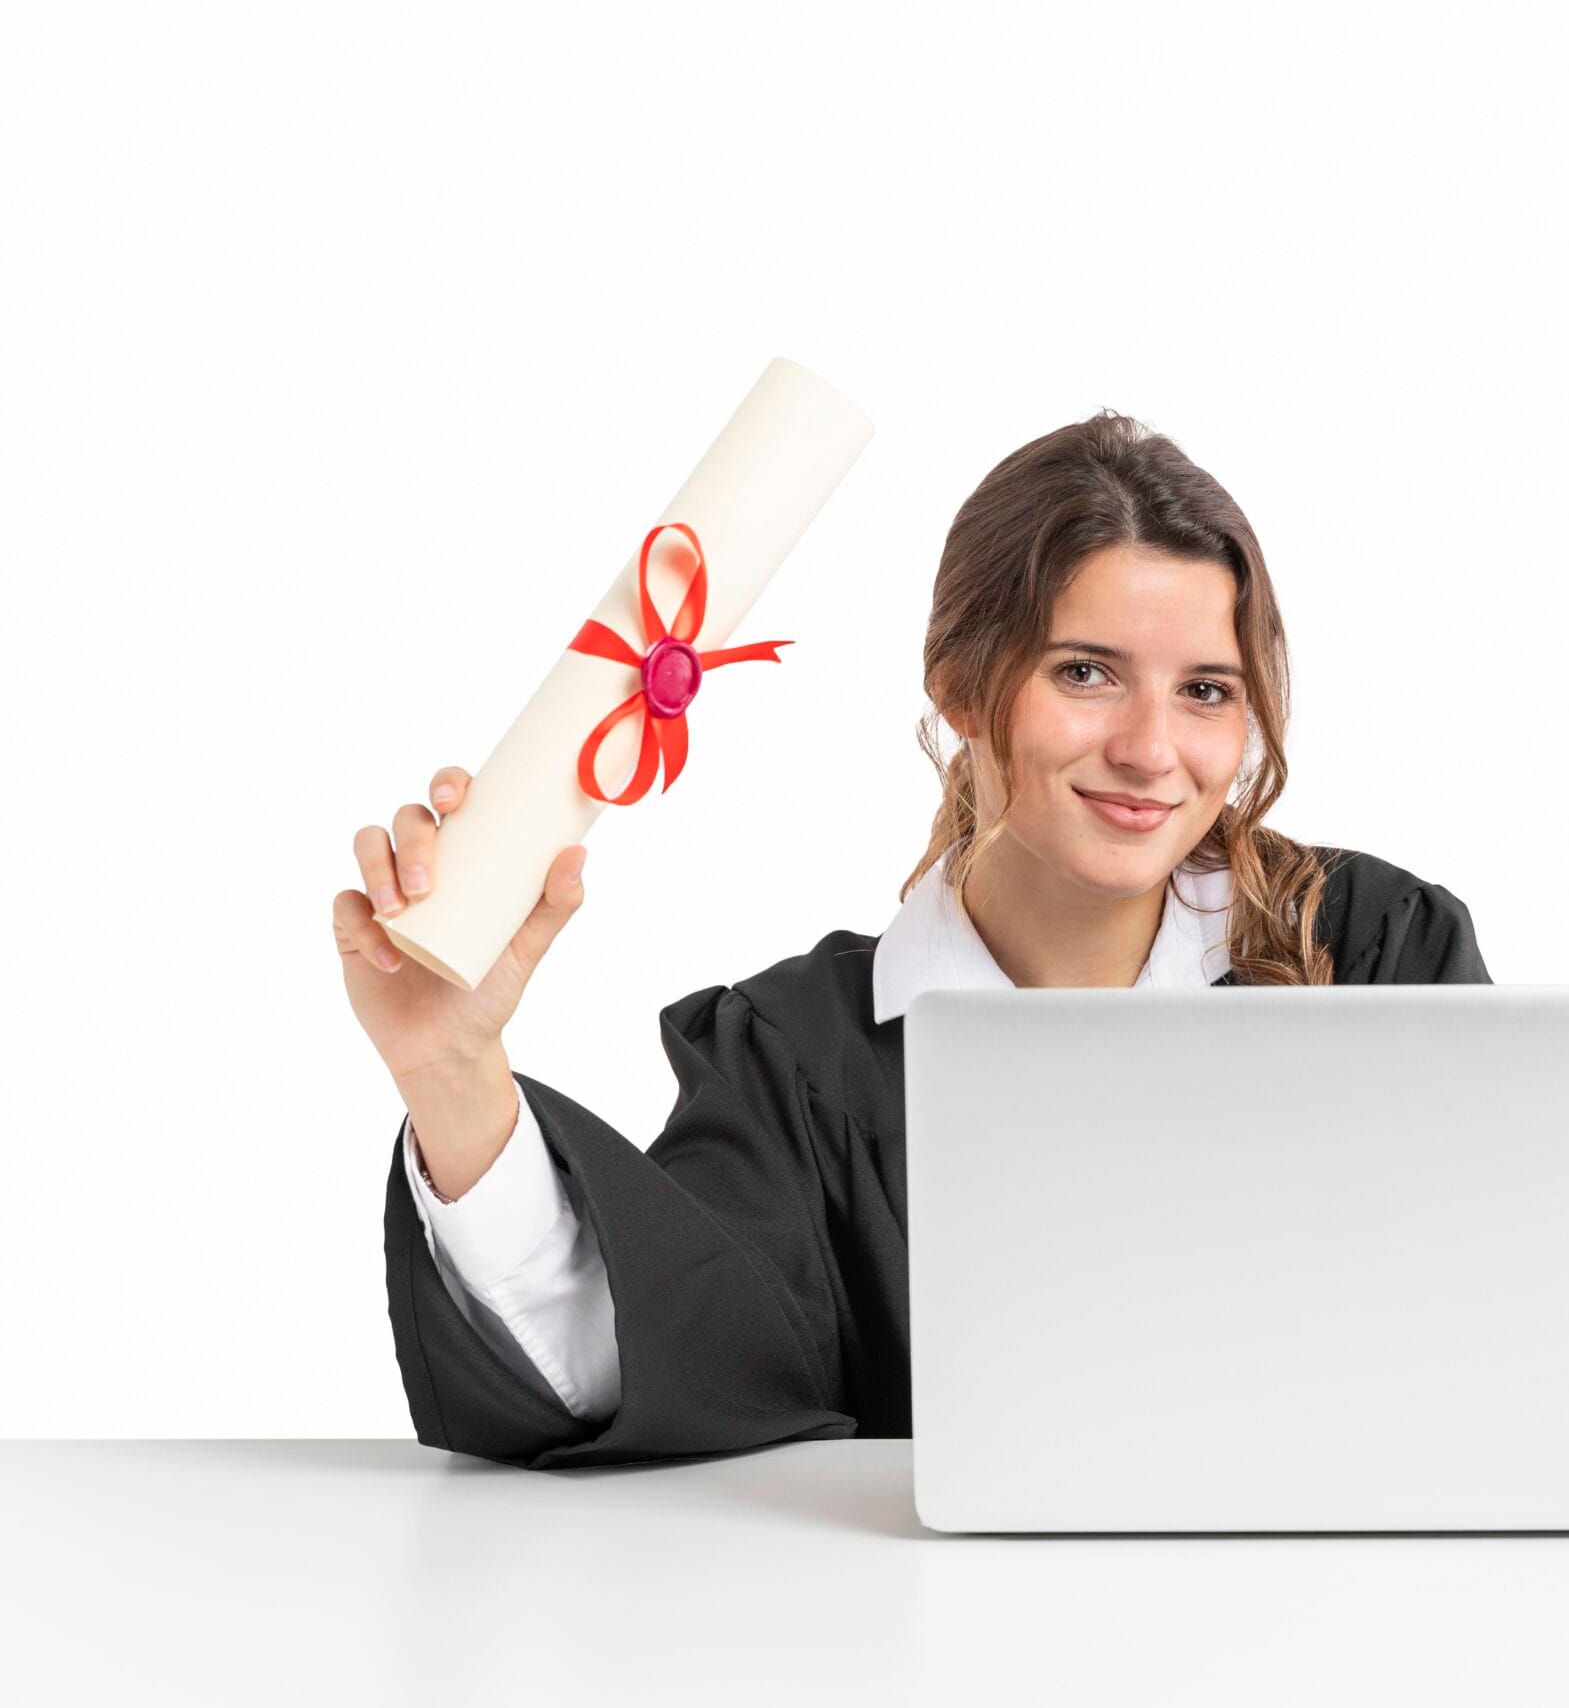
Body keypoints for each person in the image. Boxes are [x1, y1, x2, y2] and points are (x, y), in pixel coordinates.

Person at [333, 410, 1493, 1470]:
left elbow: (1506, 1332)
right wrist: (451, 1070)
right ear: (962, 689)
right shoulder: (798, 1068)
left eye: (1205, 690)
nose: (1152, 749)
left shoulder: (1369, 953)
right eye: (1085, 672)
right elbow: (645, 1360)